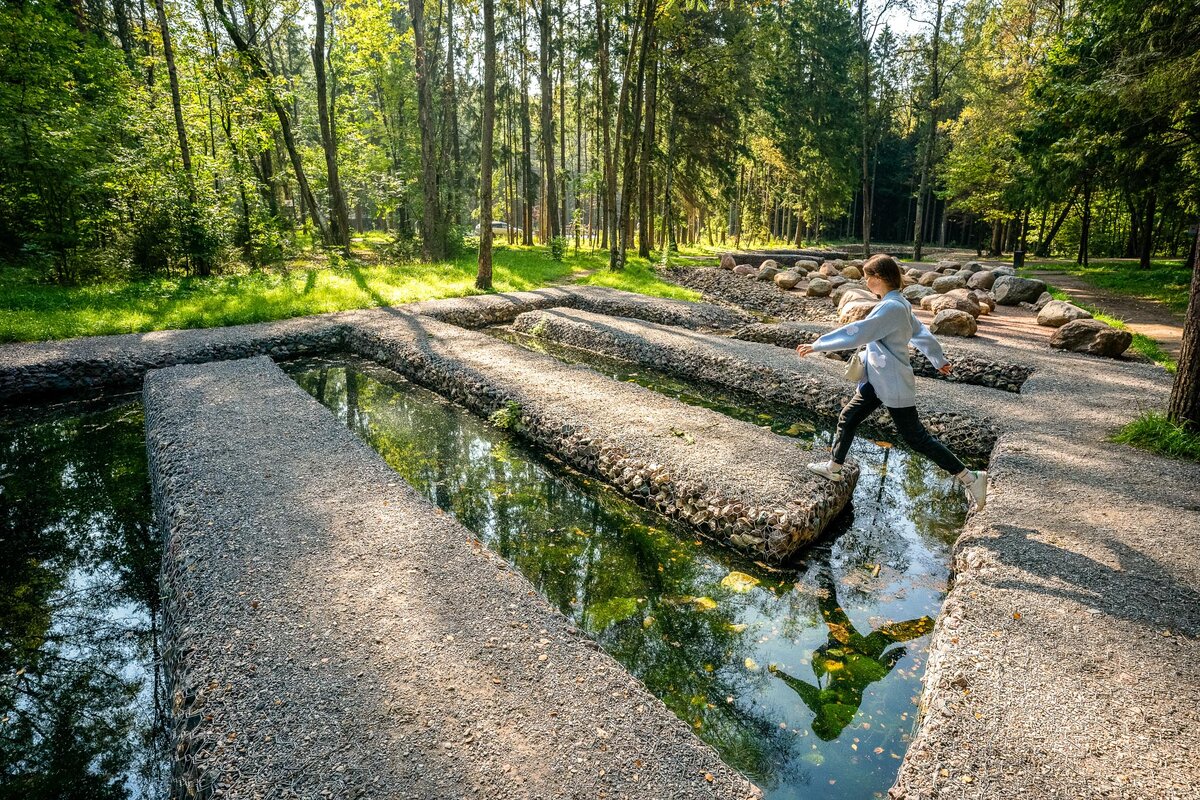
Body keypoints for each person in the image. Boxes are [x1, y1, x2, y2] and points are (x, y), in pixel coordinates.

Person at [795, 254, 987, 511]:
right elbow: (921, 332)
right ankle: (834, 467)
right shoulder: (899, 303)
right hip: (878, 379)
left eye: (867, 277)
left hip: (892, 381)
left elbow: (859, 332)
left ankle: (970, 478)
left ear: (879, 278)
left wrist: (818, 344)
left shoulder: (892, 307)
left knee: (916, 438)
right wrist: (937, 359)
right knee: (849, 415)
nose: (866, 282)